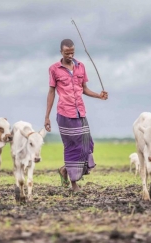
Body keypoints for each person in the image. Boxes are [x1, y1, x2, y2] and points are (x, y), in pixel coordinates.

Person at [44, 39, 108, 192]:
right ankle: (74, 184)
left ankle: (65, 170)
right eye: (67, 53)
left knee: (87, 145)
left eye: (72, 52)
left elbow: (84, 89)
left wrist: (99, 96)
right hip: (65, 114)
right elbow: (51, 92)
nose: (70, 55)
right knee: (72, 147)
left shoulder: (81, 67)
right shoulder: (54, 69)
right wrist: (47, 116)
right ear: (61, 52)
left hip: (80, 113)